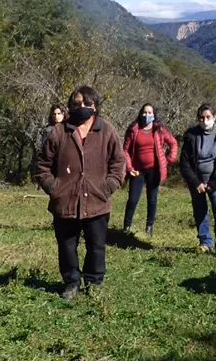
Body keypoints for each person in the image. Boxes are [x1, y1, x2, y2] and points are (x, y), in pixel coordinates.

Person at [35, 86, 125, 299]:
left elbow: (119, 162)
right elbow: (42, 164)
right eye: (76, 104)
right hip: (65, 202)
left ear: (95, 106)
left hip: (97, 200)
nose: (81, 107)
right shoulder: (60, 131)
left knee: (96, 245)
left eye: (86, 104)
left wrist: (108, 186)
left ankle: (94, 282)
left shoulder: (107, 131)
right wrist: (54, 188)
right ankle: (71, 282)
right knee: (67, 245)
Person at [180, 103, 216, 257]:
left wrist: (214, 183)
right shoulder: (191, 135)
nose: (205, 120)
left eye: (208, 117)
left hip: (215, 180)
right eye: (201, 118)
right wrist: (196, 182)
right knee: (200, 210)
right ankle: (205, 242)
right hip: (196, 180)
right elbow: (184, 163)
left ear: (214, 117)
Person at [122, 102, 179, 237]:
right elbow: (125, 150)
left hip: (154, 170)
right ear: (141, 113)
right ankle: (126, 227)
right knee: (132, 200)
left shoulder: (159, 129)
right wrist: (129, 167)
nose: (147, 115)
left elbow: (173, 143)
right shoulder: (134, 129)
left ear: (154, 115)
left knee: (152, 199)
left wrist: (169, 159)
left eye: (150, 113)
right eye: (145, 112)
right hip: (137, 170)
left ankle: (149, 227)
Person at [32, 104, 67, 180]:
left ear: (63, 114)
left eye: (59, 113)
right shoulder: (48, 130)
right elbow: (45, 150)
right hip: (52, 165)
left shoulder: (68, 128)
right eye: (54, 114)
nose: (56, 116)